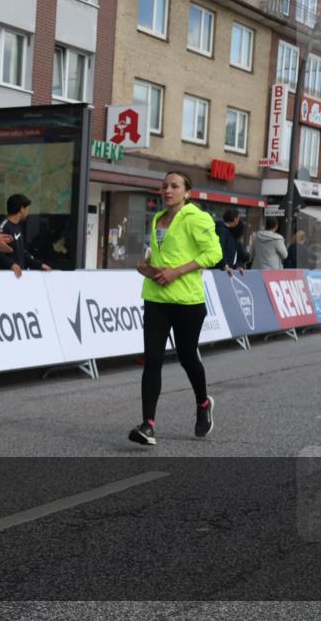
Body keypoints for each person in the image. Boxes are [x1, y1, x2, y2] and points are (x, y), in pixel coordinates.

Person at [131, 171, 222, 447]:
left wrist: (177, 273)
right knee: (152, 360)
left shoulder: (197, 218)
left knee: (187, 357)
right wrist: (146, 267)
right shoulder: (158, 218)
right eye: (164, 186)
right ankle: (148, 425)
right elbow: (159, 256)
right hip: (156, 298)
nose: (168, 190)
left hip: (187, 301)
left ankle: (203, 403)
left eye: (174, 186)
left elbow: (214, 254)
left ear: (187, 192)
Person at [0, 194, 52, 277]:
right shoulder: (4, 226)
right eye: (27, 208)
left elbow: (22, 252)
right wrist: (11, 264)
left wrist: (40, 265)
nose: (28, 211)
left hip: (18, 277)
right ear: (22, 209)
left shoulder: (17, 227)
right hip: (4, 277)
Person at [215, 208, 246, 274]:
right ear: (235, 219)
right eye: (238, 218)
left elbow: (233, 253)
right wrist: (225, 266)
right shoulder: (222, 231)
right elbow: (219, 250)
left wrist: (237, 266)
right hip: (221, 271)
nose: (239, 220)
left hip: (228, 270)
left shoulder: (230, 231)